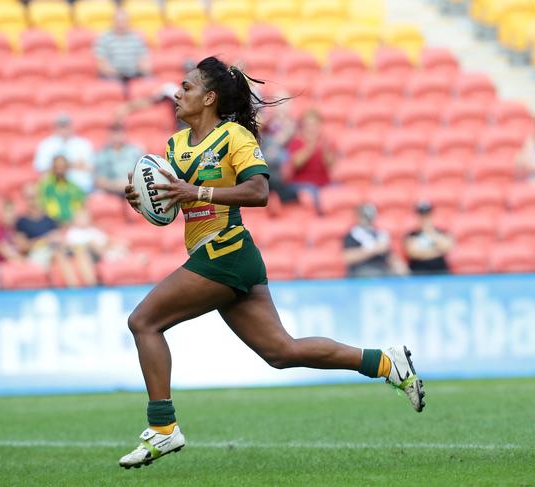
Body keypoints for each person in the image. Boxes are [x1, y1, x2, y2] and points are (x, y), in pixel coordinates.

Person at [118, 57, 425, 469]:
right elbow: (173, 205)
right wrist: (144, 201)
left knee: (144, 322)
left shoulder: (234, 137)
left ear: (209, 97)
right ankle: (386, 362)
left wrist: (198, 192)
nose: (178, 93)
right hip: (220, 257)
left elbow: (259, 191)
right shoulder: (174, 147)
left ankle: (163, 428)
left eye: (187, 87)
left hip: (225, 252)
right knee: (281, 351)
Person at [15, 183, 79, 287]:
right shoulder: (21, 221)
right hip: (37, 254)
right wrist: (45, 240)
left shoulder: (49, 219)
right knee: (58, 256)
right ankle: (75, 290)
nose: (32, 201)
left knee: (80, 252)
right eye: (29, 198)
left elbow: (58, 237)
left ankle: (91, 289)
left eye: (34, 197)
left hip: (54, 249)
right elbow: (23, 247)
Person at [64, 208, 128, 286]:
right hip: (83, 254)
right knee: (84, 251)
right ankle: (90, 282)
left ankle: (113, 256)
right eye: (80, 218)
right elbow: (70, 246)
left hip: (98, 252)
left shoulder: (94, 231)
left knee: (117, 245)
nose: (83, 220)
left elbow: (105, 241)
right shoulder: (73, 232)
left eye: (85, 218)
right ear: (75, 220)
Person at [285, 109, 334, 208]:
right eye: (309, 125)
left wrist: (325, 149)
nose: (312, 128)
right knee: (313, 193)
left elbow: (330, 164)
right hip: (301, 184)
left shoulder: (325, 142)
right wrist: (311, 146)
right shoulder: (296, 142)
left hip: (323, 183)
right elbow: (297, 163)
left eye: (315, 125)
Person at [343, 204, 409, 278]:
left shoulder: (379, 235)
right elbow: (348, 258)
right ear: (358, 217)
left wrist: (398, 264)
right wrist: (373, 249)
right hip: (361, 270)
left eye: (369, 218)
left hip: (382, 269)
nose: (367, 221)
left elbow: (389, 255)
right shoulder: (352, 235)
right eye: (364, 217)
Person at [33, 114, 95, 193]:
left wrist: (61, 165)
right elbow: (41, 168)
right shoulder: (47, 144)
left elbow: (90, 167)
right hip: (55, 186)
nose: (64, 130)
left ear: (71, 127)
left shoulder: (83, 144)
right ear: (55, 128)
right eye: (61, 126)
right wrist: (71, 165)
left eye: (66, 126)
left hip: (81, 186)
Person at [93, 7, 150, 83]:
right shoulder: (104, 38)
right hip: (112, 76)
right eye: (118, 21)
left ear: (128, 22)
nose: (121, 24)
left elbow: (144, 59)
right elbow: (101, 62)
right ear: (113, 21)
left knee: (151, 83)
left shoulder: (136, 37)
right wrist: (117, 75)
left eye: (123, 21)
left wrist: (142, 70)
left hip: (134, 75)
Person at [94, 123, 144, 197]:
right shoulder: (102, 154)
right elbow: (99, 181)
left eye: (119, 133)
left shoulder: (135, 151)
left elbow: (143, 174)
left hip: (135, 189)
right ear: (109, 136)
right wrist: (121, 186)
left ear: (124, 134)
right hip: (111, 193)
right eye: (114, 134)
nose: (117, 137)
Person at [404, 202, 454, 275]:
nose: (425, 219)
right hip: (419, 271)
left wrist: (431, 233)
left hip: (440, 270)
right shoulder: (412, 235)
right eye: (422, 216)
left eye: (427, 216)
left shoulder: (441, 232)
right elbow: (413, 253)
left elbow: (446, 247)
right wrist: (437, 252)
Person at [39, 155, 85, 224]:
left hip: (72, 224)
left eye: (62, 167)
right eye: (57, 167)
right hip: (51, 224)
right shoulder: (45, 187)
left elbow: (80, 208)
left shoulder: (75, 188)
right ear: (53, 168)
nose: (60, 170)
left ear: (67, 168)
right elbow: (41, 208)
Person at [0, 199, 22, 263]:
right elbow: (4, 250)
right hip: (1, 264)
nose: (10, 215)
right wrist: (19, 259)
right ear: (1, 214)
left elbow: (22, 247)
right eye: (7, 211)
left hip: (15, 263)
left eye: (12, 211)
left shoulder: (17, 229)